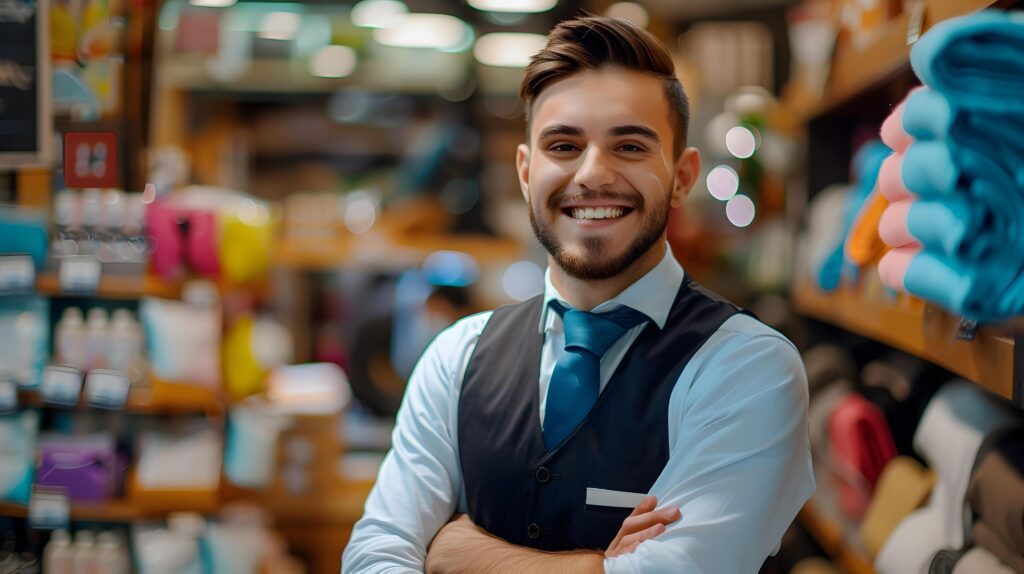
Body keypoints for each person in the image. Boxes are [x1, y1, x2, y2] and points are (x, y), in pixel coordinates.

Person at [342, 15, 814, 573]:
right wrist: (599, 566)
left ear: (683, 176)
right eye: (563, 145)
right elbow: (374, 556)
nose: (592, 174)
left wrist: (455, 553)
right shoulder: (455, 358)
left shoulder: (748, 368)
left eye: (631, 146)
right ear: (525, 172)